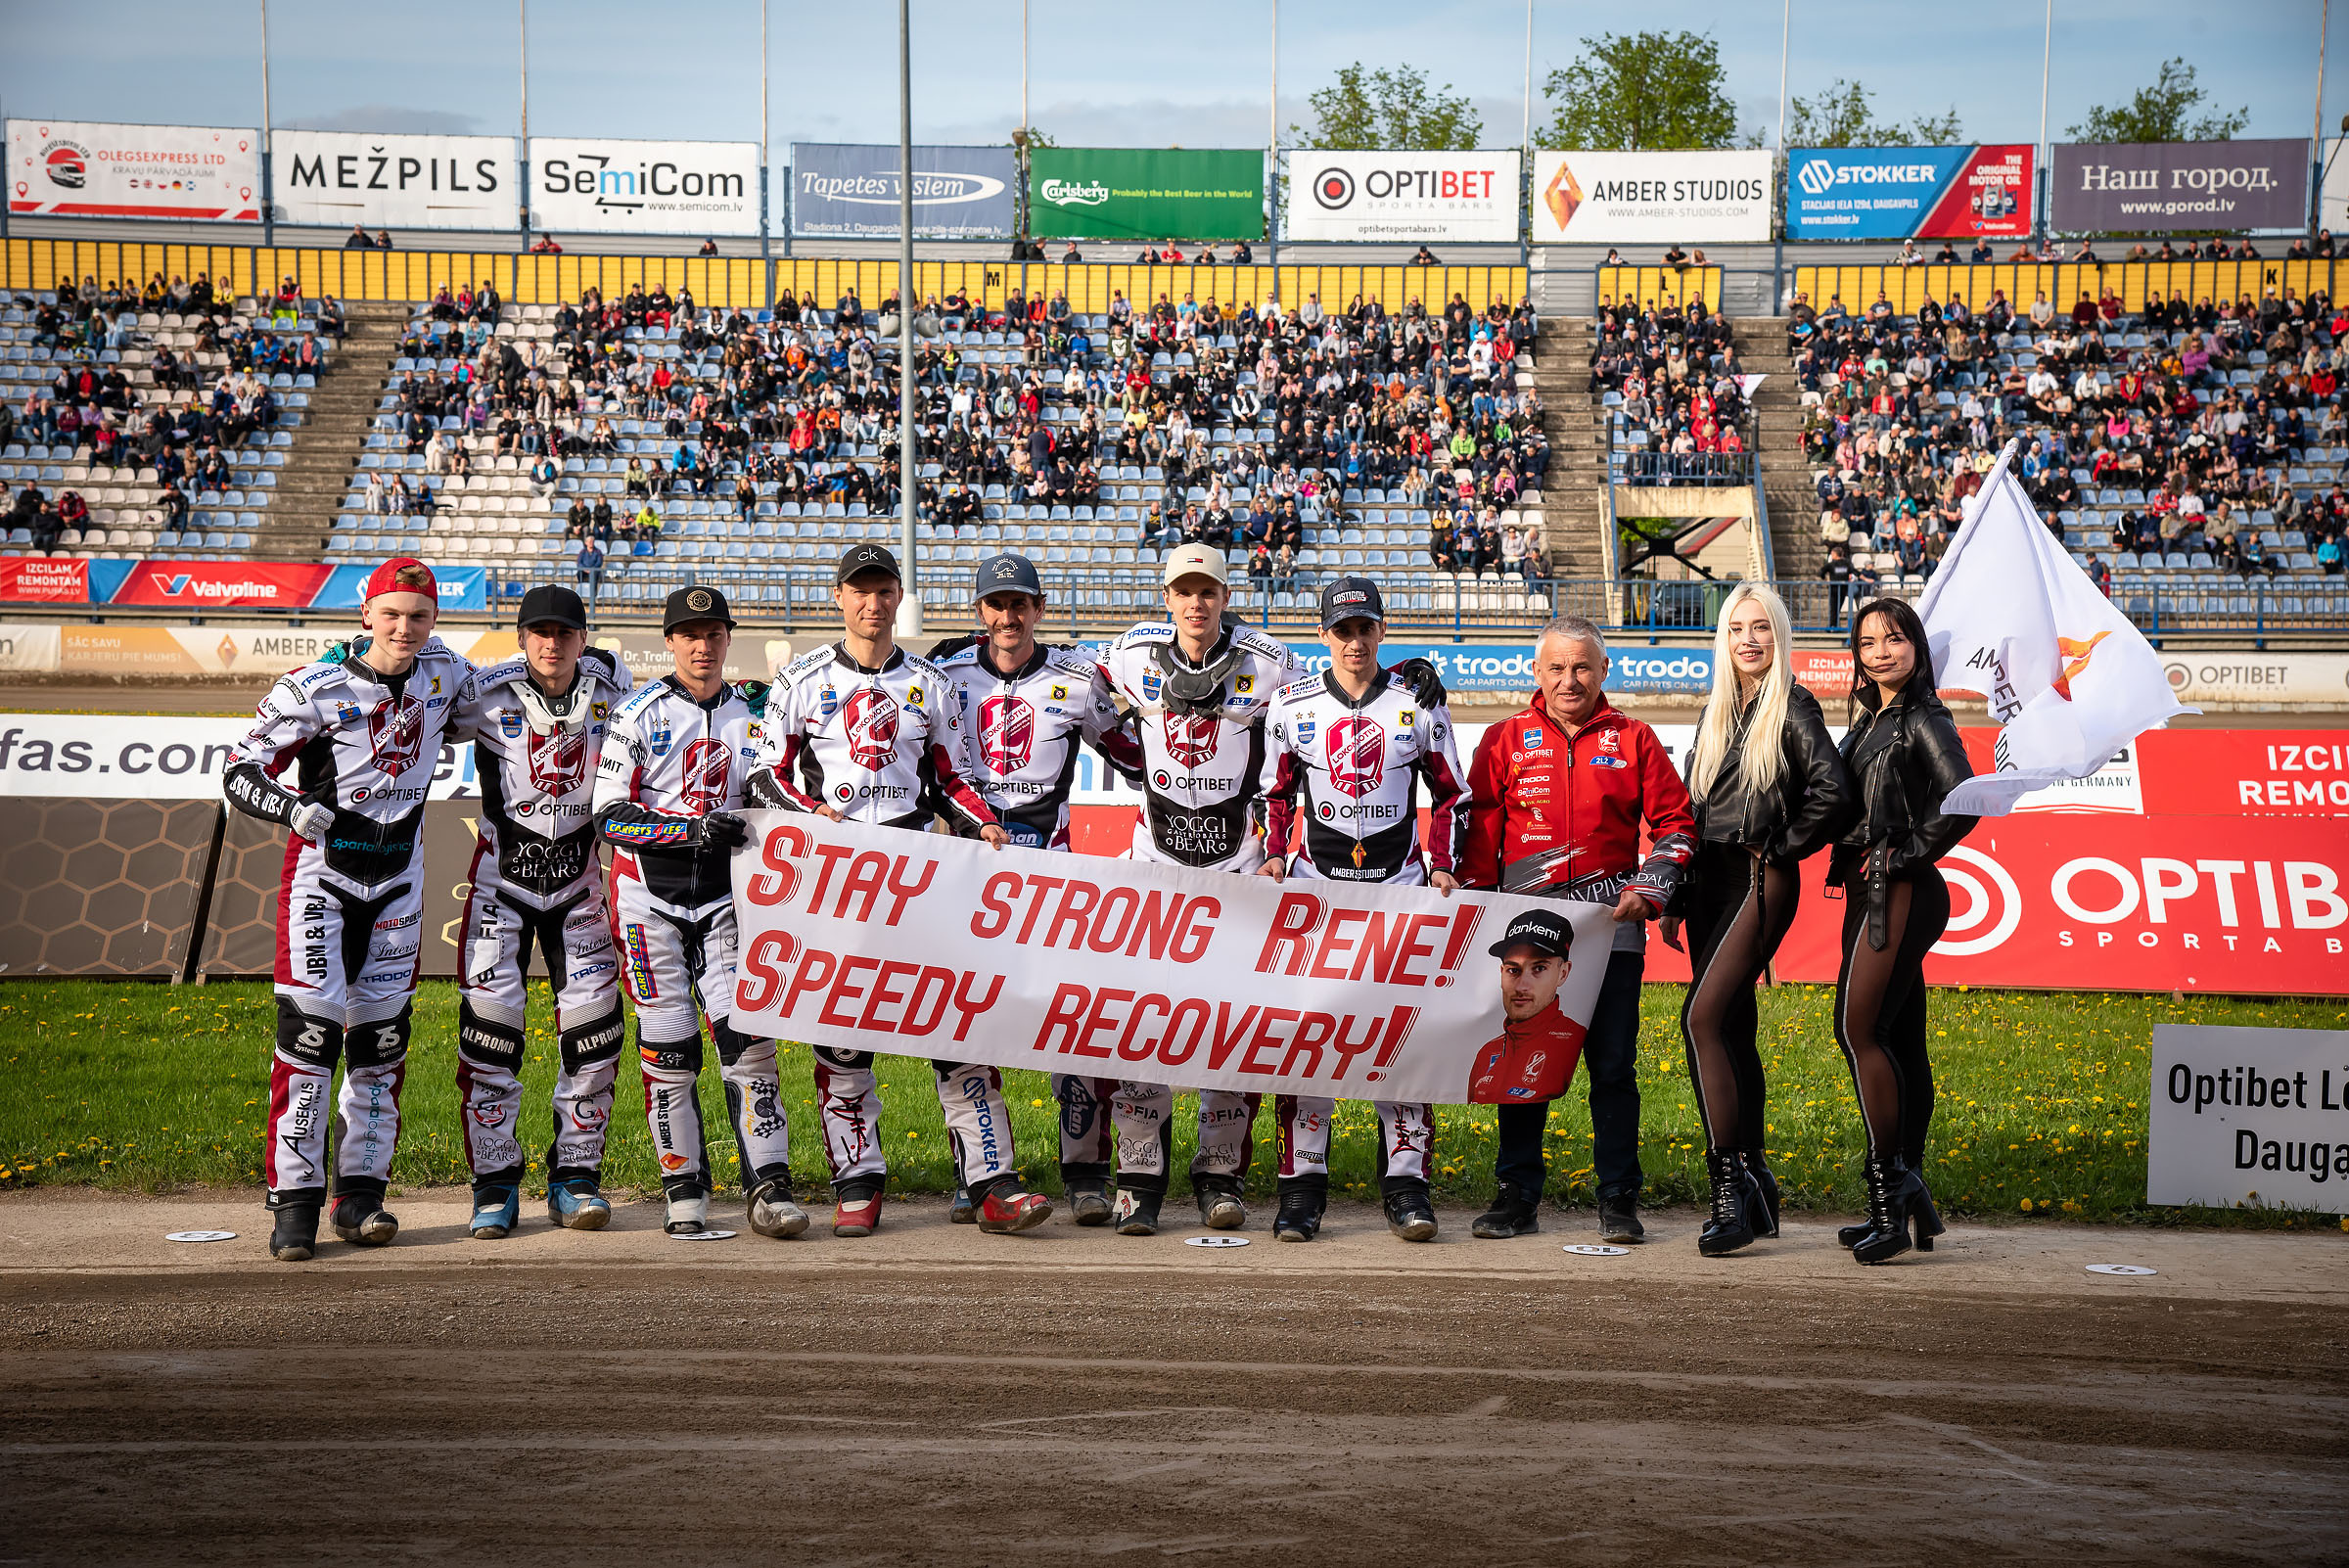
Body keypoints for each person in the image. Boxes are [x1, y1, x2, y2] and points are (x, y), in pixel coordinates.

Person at [746, 545, 1041, 1238]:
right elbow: (765, 777)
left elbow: (952, 779)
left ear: (898, 597)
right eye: (860, 591)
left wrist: (985, 823)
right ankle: (859, 1182)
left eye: (884, 591)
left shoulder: (931, 684)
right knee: (842, 1041)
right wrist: (808, 815)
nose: (872, 604)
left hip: (918, 877)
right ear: (840, 597)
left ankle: (992, 1184)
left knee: (959, 1030)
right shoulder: (800, 679)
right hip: (835, 880)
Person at [222, 559, 478, 1262]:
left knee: (381, 1046)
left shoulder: (445, 671)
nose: (405, 628)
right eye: (391, 614)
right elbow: (239, 770)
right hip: (323, 882)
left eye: (419, 616)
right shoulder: (315, 684)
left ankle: (361, 1196)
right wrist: (291, 807)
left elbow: (515, 699)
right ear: (366, 615)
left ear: (434, 621)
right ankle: (294, 1203)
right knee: (309, 1039)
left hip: (399, 881)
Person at [1460, 616, 1695, 1243]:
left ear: (1603, 672)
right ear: (1536, 673)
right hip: (1523, 934)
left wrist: (1653, 886)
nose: (1570, 680)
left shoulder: (1636, 738)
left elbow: (1675, 824)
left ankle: (1619, 1199)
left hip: (1609, 932)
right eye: (1557, 668)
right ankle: (1516, 1197)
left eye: (1582, 667)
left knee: (1612, 1066)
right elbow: (1480, 828)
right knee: (1523, 1057)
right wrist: (1474, 900)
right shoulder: (1503, 739)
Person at [1094, 543, 1303, 1235]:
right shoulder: (1130, 653)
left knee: (1231, 1029)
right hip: (1155, 869)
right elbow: (1063, 676)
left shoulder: (1269, 661)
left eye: (1207, 591)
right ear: (1166, 598)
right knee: (1141, 1026)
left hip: (1237, 870)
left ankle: (1221, 1173)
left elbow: (1316, 720)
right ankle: (1138, 1178)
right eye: (1183, 591)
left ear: (1224, 594)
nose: (1195, 603)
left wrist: (1404, 677)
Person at [1256, 576, 1466, 1244]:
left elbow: (1451, 794)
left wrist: (1445, 866)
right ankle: (1300, 1191)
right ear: (1323, 635)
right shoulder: (1290, 704)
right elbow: (1275, 793)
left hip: (1399, 892)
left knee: (1402, 1038)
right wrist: (1270, 855)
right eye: (1342, 630)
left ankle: (1407, 1186)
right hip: (1317, 892)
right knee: (1307, 1040)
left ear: (1382, 630)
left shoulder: (1418, 702)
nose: (1354, 641)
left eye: (1365, 628)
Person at [929, 552, 1132, 1225]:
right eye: (996, 604)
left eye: (1021, 604)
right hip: (965, 880)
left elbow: (1136, 759)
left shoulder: (1077, 677)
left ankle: (1087, 1173)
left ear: (1039, 609)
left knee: (1071, 1025)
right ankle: (979, 1173)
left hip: (1054, 884)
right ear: (980, 611)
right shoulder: (946, 672)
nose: (1009, 617)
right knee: (964, 1027)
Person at [593, 587, 803, 1239]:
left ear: (727, 639)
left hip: (726, 900)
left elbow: (776, 782)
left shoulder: (753, 709)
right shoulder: (637, 711)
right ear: (670, 641)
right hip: (647, 900)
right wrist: (688, 832)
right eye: (690, 635)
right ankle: (682, 1189)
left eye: (714, 634)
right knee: (669, 1047)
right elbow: (609, 814)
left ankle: (770, 1187)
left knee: (749, 1043)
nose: (702, 646)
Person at [1658, 584, 1852, 1257]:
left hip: (1756, 878)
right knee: (1732, 1028)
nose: (1748, 639)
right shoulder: (1720, 709)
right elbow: (1694, 810)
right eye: (1736, 628)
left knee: (1701, 1020)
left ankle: (1730, 1188)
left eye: (1761, 627)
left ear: (1780, 636)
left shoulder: (1791, 704)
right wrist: (1678, 894)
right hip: (1708, 881)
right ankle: (1759, 1178)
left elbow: (1834, 789)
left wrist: (1783, 845)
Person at [449, 586, 637, 1239]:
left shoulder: (615, 686)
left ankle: (575, 1178)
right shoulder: (483, 691)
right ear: (521, 637)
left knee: (596, 1037)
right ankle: (494, 1186)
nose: (551, 643)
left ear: (584, 638)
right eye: (539, 632)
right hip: (500, 886)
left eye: (565, 631)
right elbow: (416, 705)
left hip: (581, 886)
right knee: (489, 1037)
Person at [1828, 598, 1976, 1265]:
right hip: (1872, 890)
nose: (1881, 651)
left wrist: (1907, 852)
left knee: (1856, 1031)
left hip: (1904, 891)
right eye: (1867, 642)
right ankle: (1907, 1193)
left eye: (1894, 638)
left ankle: (1891, 1196)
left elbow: (1963, 795)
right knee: (1896, 1040)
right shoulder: (1872, 720)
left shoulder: (1922, 716)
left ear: (1916, 646)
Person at [1466, 909, 1585, 1105]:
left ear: (1563, 973)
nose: (1521, 986)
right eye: (1513, 970)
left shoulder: (1575, 1038)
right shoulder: (1487, 1052)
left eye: (1539, 968)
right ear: (1501, 972)